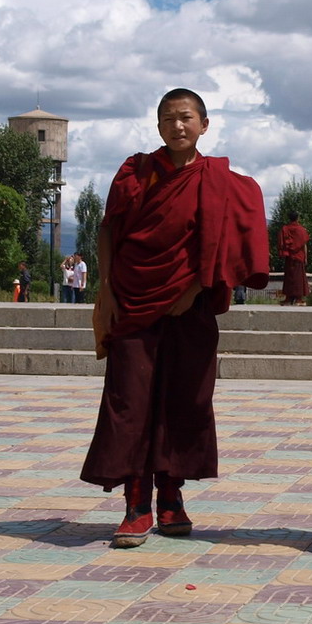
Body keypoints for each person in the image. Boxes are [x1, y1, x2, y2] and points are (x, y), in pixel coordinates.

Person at [81, 88, 269, 548]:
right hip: (133, 300)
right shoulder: (135, 173)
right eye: (169, 118)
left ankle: (171, 495)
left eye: (186, 118)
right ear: (159, 125)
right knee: (129, 402)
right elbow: (109, 230)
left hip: (192, 308)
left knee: (184, 400)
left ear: (204, 125)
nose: (178, 126)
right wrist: (106, 289)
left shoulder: (220, 180)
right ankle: (135, 503)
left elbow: (228, 243)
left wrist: (195, 289)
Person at [278, 211, 310, 305]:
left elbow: (281, 243)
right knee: (298, 278)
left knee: (289, 277)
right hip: (299, 256)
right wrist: (306, 258)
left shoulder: (285, 229)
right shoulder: (301, 230)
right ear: (298, 218)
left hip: (289, 257)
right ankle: (298, 299)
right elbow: (304, 244)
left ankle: (288, 299)